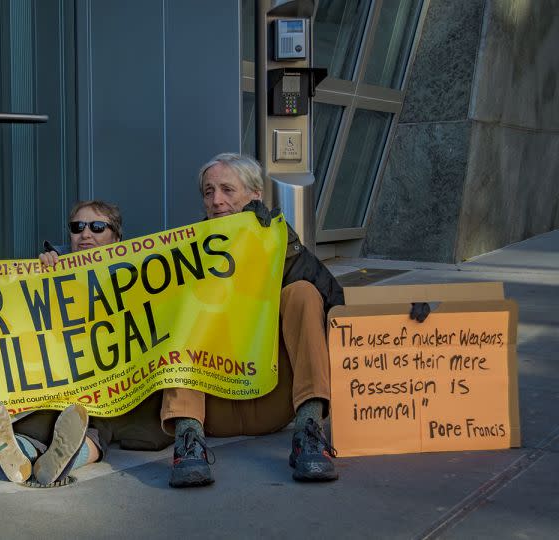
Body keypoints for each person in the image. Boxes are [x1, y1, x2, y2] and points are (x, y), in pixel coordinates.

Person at [162, 153, 429, 488]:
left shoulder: (277, 239)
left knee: (302, 292)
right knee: (180, 300)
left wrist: (403, 316)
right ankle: (187, 443)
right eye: (208, 191)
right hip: (213, 405)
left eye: (228, 190)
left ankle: (309, 433)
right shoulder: (183, 250)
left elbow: (333, 301)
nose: (216, 201)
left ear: (254, 195)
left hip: (275, 397)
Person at [0, 200, 173, 486]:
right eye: (77, 227)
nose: (86, 234)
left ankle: (62, 458)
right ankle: (22, 455)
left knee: (96, 422)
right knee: (48, 415)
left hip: (116, 385)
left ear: (117, 237)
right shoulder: (50, 268)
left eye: (97, 227)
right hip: (65, 380)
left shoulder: (136, 273)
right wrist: (42, 273)